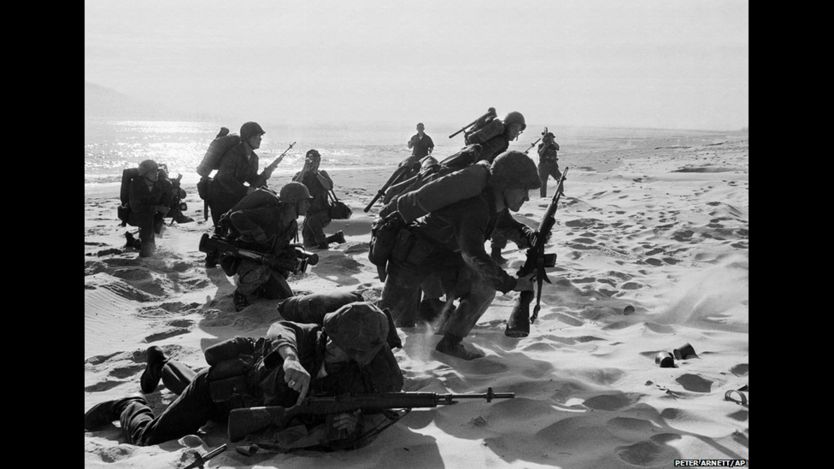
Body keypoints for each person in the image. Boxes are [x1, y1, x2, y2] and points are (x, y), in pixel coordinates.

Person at [84, 303, 404, 449]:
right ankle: (125, 405)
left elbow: (377, 410)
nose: (331, 344)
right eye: (331, 335)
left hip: (249, 409)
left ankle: (161, 363)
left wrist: (354, 423)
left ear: (361, 355)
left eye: (343, 346)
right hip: (223, 392)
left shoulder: (367, 375)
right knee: (151, 437)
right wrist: (290, 360)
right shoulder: (309, 336)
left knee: (188, 385)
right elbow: (281, 328)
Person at [379, 150, 541, 360]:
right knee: (392, 324)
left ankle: (449, 343)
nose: (526, 197)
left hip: (443, 260)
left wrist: (530, 236)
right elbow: (473, 255)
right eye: (523, 190)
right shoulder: (476, 207)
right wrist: (512, 284)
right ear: (505, 185)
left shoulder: (494, 203)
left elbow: (507, 225)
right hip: (412, 261)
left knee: (483, 288)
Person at [219, 182, 313, 311]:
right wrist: (256, 231)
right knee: (260, 272)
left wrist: (291, 253)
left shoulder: (292, 225)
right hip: (245, 257)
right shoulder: (270, 214)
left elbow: (282, 245)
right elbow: (236, 216)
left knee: (282, 294)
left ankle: (257, 288)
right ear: (293, 201)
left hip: (265, 258)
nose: (308, 205)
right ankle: (240, 294)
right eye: (305, 201)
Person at [207, 121, 278, 227]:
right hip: (219, 197)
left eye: (260, 136)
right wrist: (245, 190)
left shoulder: (254, 158)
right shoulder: (233, 154)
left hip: (235, 196)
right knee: (222, 229)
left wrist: (264, 176)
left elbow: (252, 179)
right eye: (257, 136)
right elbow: (224, 178)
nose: (260, 139)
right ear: (248, 137)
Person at [292, 149, 346, 250]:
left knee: (313, 222)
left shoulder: (322, 174)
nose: (315, 163)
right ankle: (336, 237)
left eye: (317, 161)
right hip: (309, 213)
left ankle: (324, 247)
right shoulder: (301, 174)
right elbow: (293, 186)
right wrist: (304, 170)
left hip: (324, 212)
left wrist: (316, 173)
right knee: (309, 244)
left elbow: (329, 186)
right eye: (313, 161)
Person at [122, 159, 172, 257]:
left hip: (152, 215)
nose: (156, 174)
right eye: (153, 172)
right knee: (147, 218)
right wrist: (156, 208)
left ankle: (141, 244)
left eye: (157, 171)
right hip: (134, 215)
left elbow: (166, 201)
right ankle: (146, 251)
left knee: (153, 221)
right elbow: (136, 207)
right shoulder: (135, 185)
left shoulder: (161, 184)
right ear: (145, 174)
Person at [537, 130, 562, 198]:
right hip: (544, 165)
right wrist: (545, 145)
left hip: (553, 165)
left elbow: (557, 147)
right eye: (550, 138)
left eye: (552, 138)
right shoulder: (541, 145)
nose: (550, 140)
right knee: (543, 182)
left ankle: (560, 193)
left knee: (560, 178)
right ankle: (543, 197)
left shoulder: (553, 146)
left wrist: (553, 141)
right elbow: (540, 153)